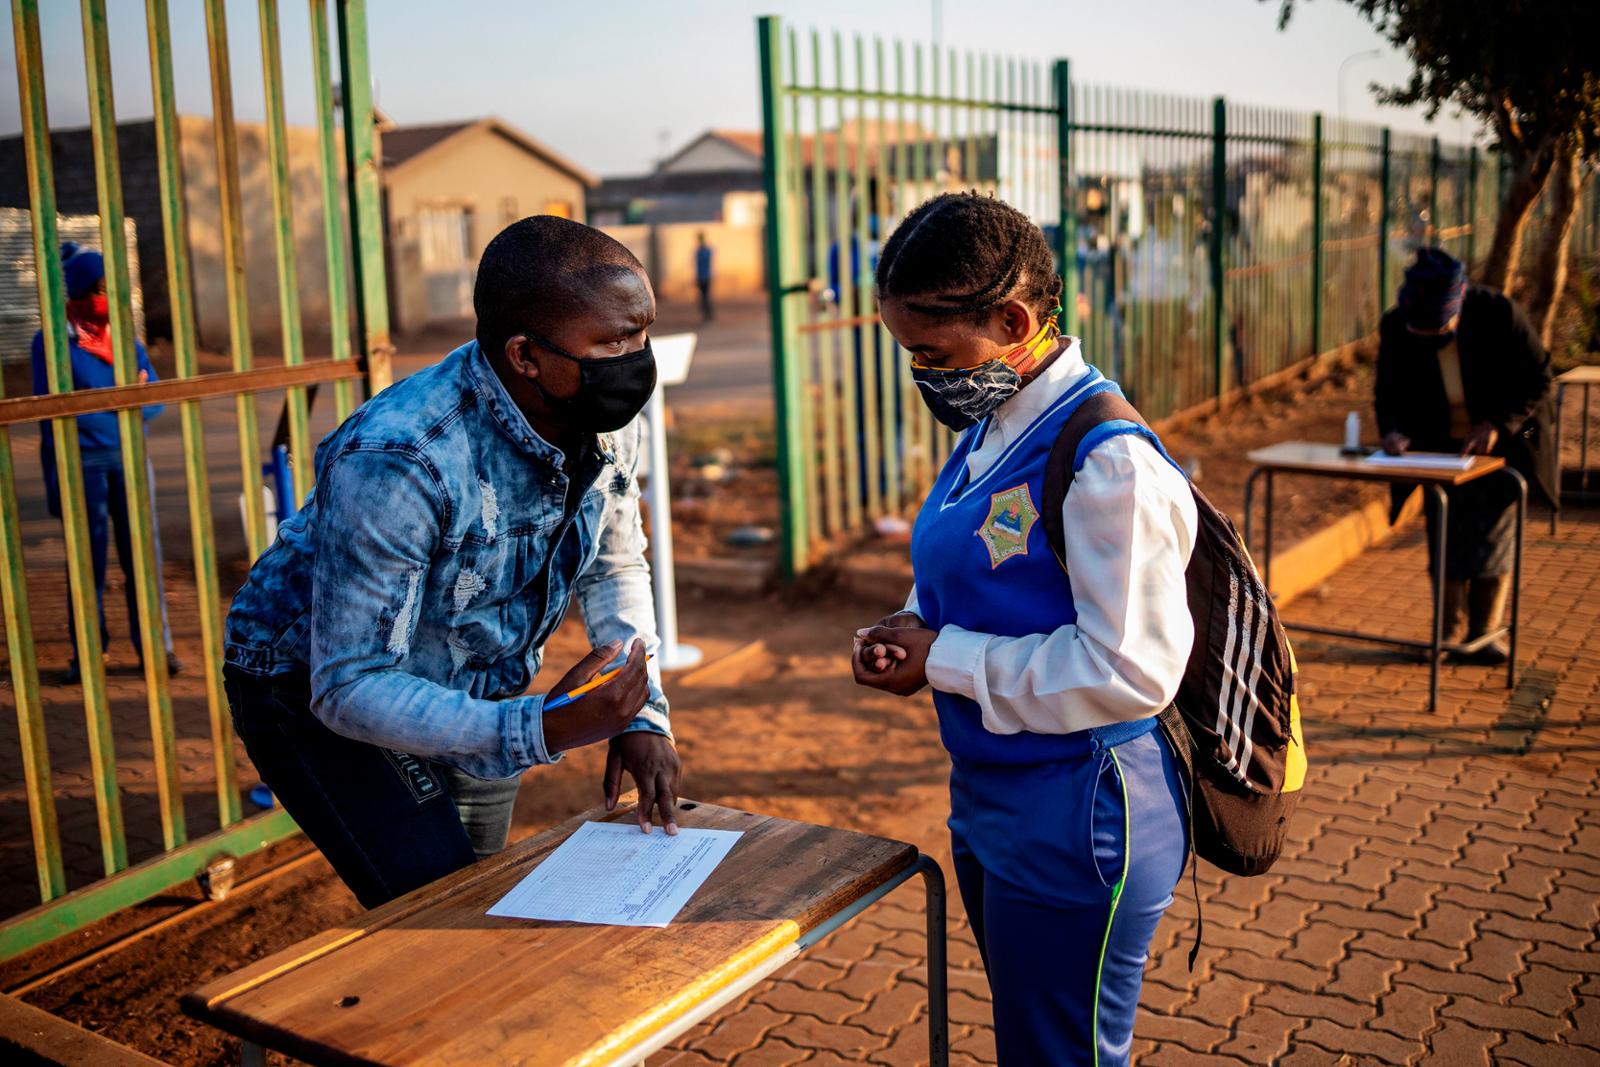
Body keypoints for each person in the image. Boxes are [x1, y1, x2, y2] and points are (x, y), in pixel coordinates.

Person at [223, 216, 682, 908]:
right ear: (525, 356)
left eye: (643, 333)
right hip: (314, 685)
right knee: (440, 904)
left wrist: (640, 711)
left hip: (477, 673)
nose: (636, 358)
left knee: (481, 892)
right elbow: (348, 682)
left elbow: (613, 562)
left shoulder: (602, 423)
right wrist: (541, 728)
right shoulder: (402, 459)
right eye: (615, 341)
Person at [851, 193, 1193, 1066]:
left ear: (1013, 321)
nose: (924, 375)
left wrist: (944, 657)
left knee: (1060, 1055)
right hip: (995, 791)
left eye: (933, 354)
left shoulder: (1110, 463)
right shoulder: (997, 420)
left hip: (1082, 811)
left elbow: (1130, 670)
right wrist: (914, 621)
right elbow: (978, 560)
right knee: (1033, 1044)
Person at [1375, 248, 1556, 663]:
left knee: (1494, 538)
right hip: (1440, 451)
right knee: (1445, 536)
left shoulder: (1498, 314)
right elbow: (1387, 391)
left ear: (1456, 308)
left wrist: (1497, 424)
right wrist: (1393, 432)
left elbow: (1539, 378)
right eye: (1418, 330)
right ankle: (1448, 633)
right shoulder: (1396, 325)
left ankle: (1485, 633)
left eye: (1435, 330)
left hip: (1503, 445)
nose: (1424, 337)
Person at [31, 243, 179, 683]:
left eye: (109, 290)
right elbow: (49, 411)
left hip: (131, 459)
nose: (105, 299)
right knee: (86, 564)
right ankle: (87, 654)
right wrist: (121, 401)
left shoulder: (125, 340)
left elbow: (154, 400)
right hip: (81, 463)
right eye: (97, 290)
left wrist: (121, 401)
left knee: (143, 559)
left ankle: (156, 649)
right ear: (78, 291)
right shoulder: (52, 342)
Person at [694, 232, 714, 322]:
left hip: (705, 277)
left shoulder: (702, 252)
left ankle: (708, 315)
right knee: (704, 297)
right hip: (703, 276)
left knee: (705, 297)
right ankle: (707, 314)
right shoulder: (704, 251)